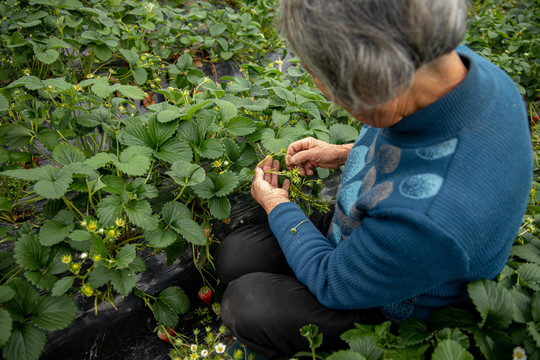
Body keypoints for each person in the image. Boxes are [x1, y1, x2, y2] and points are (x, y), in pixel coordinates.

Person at [215, 0, 533, 358]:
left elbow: (331, 281)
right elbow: (418, 147)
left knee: (247, 304)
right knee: (236, 256)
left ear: (376, 86)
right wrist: (345, 152)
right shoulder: (451, 67)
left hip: (395, 300)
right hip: (374, 230)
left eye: (331, 90)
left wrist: (277, 205)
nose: (330, 97)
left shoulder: (430, 217)